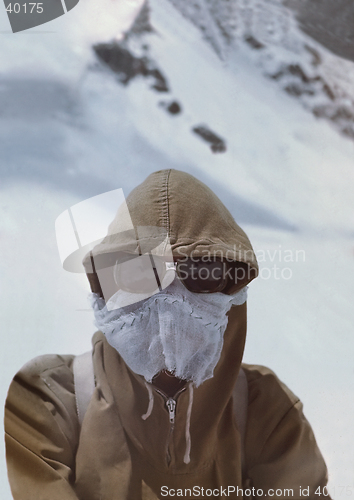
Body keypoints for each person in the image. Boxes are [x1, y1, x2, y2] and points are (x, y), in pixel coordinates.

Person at [5, 169, 330, 499]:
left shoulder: (267, 412)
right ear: (106, 287)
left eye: (203, 273)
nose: (170, 301)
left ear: (234, 290)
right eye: (139, 272)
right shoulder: (50, 399)